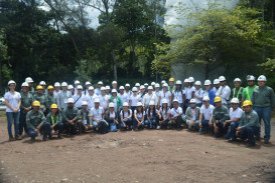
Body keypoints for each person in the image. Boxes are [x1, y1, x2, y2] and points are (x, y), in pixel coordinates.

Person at [252, 75, 275, 144]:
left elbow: (273, 99)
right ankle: (257, 136)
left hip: (266, 108)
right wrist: (251, 107)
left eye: (262, 81)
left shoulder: (269, 89)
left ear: (265, 82)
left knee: (267, 123)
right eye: (259, 81)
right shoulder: (255, 89)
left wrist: (272, 108)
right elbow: (252, 99)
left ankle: (267, 138)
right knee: (256, 123)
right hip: (256, 107)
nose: (260, 82)